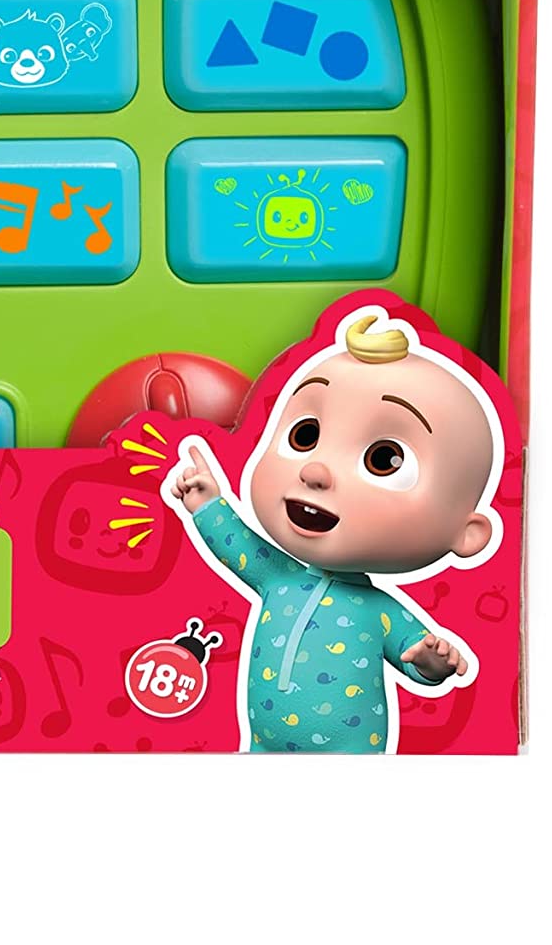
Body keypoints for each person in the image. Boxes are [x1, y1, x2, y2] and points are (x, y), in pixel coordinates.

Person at [162, 308, 502, 753]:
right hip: (262, 748)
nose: (316, 471)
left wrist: (432, 662)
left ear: (467, 533)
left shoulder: (379, 611)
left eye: (384, 460)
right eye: (305, 435)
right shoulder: (277, 578)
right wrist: (208, 503)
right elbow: (237, 543)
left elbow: (415, 654)